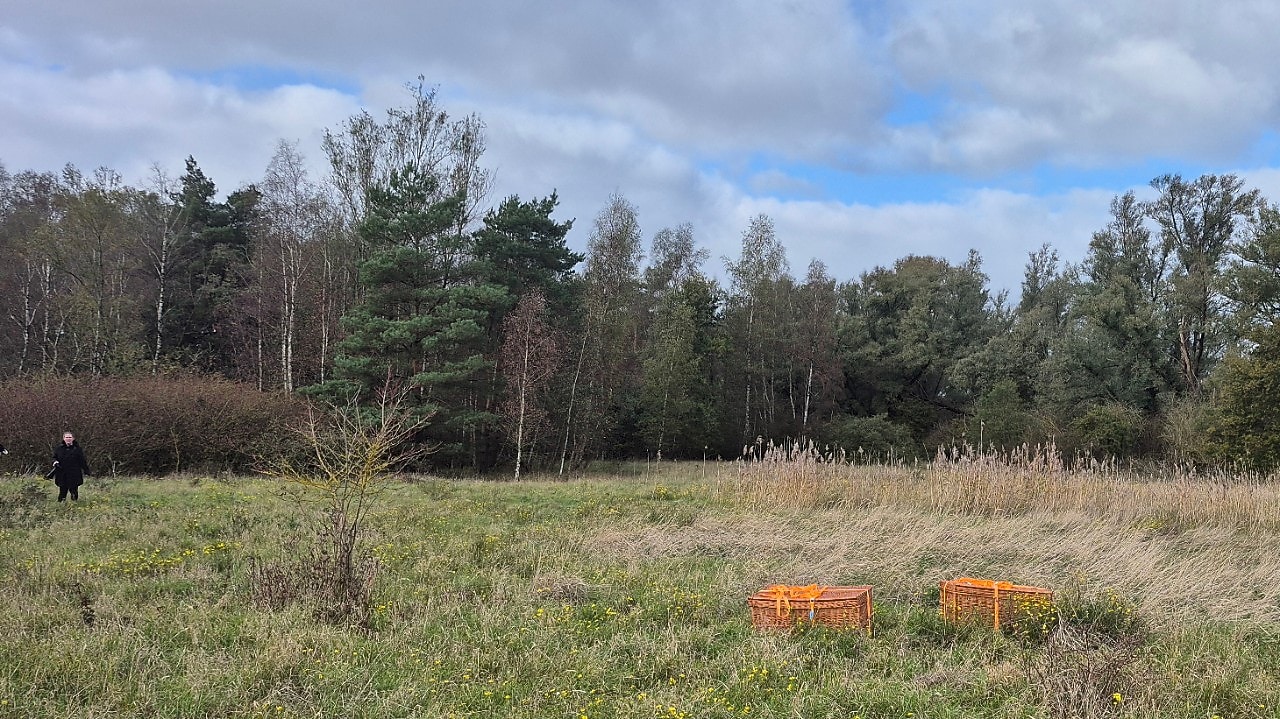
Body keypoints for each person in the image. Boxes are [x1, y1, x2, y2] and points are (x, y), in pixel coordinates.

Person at [51, 432, 91, 502]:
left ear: (73, 439)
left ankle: (74, 505)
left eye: (70, 437)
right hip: (62, 474)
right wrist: (55, 462)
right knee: (62, 492)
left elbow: (82, 461)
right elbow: (54, 457)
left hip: (74, 474)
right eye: (66, 437)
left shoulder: (77, 449)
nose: (68, 439)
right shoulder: (59, 449)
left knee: (74, 492)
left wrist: (86, 470)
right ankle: (60, 506)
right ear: (64, 439)